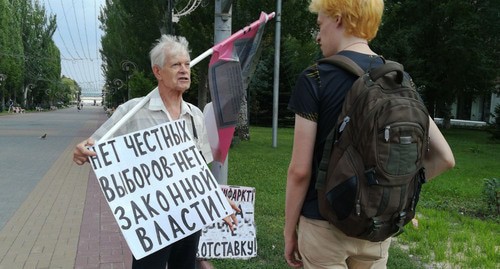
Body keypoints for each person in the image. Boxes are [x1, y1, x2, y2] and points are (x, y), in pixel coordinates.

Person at [283, 0, 456, 268]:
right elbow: (445, 158)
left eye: (320, 24)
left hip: (323, 225)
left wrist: (288, 231)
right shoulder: (399, 79)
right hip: (376, 226)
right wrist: (393, 189)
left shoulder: (315, 78)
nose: (318, 36)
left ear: (337, 18)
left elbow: (300, 171)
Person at [73, 34, 239, 269]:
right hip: (151, 223)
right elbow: (95, 148)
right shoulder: (132, 112)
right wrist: (81, 150)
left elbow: (200, 171)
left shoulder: (195, 116)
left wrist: (216, 200)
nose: (184, 70)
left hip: (189, 217)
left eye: (187, 64)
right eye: (175, 65)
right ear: (158, 72)